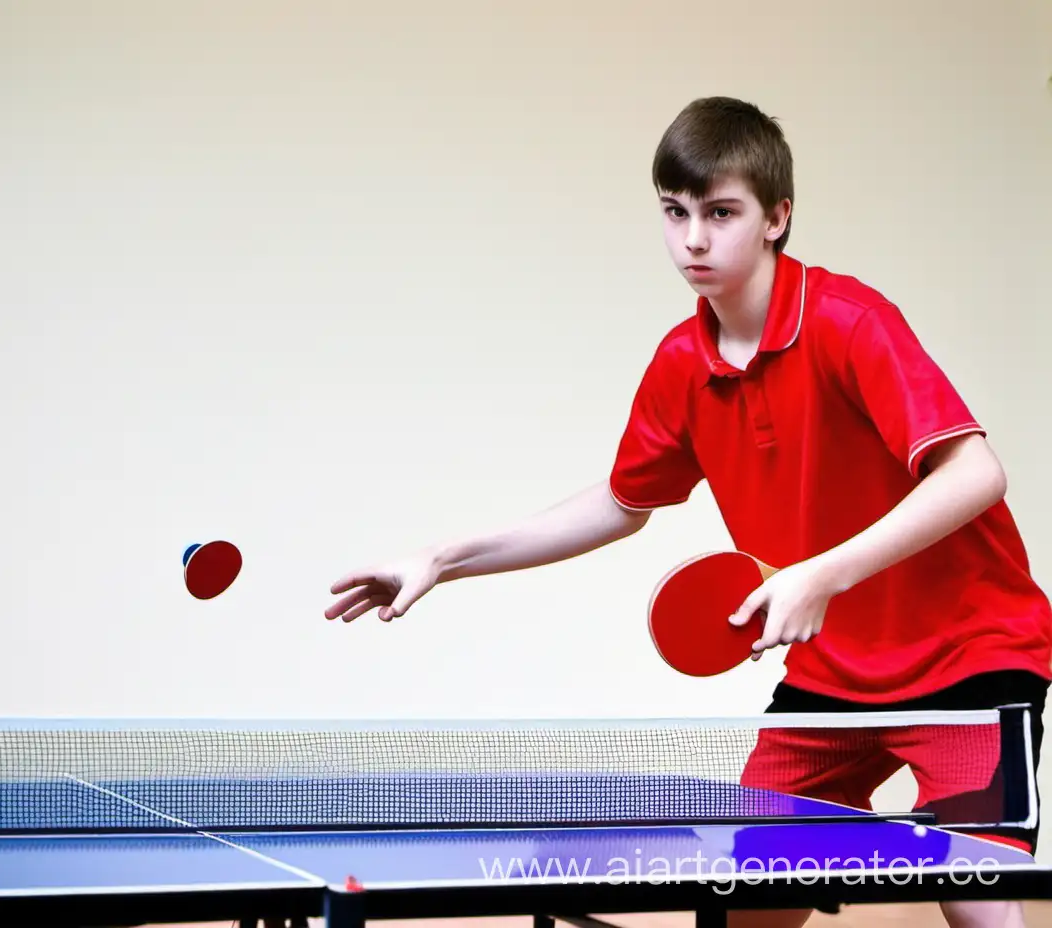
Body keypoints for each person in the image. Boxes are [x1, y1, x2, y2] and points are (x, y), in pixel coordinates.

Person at [324, 96, 1052, 928]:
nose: (694, 239)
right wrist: (442, 559)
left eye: (721, 212)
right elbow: (618, 501)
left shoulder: (850, 323)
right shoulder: (681, 364)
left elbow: (976, 474)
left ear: (778, 217)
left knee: (970, 894)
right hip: (831, 674)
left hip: (970, 660)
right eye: (676, 213)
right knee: (743, 909)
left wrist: (819, 574)